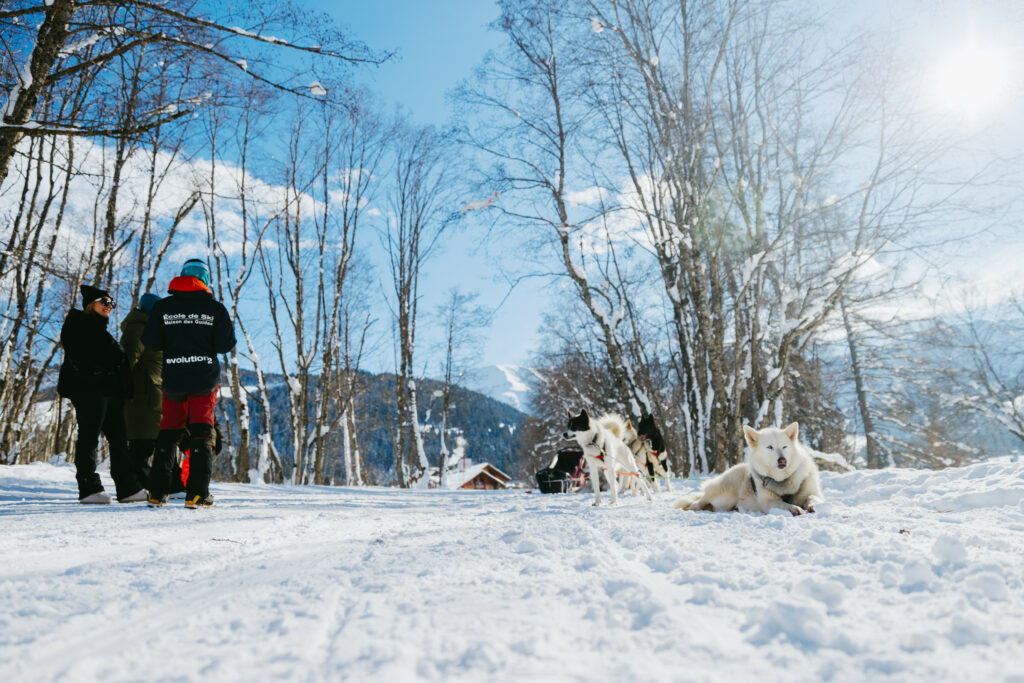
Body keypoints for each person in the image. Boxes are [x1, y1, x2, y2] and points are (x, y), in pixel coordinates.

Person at [142, 259, 235, 508]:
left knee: (169, 431)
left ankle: (157, 492)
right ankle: (196, 494)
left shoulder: (163, 307)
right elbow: (226, 345)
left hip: (173, 378)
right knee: (202, 431)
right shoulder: (215, 309)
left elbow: (150, 342)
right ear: (205, 280)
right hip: (203, 379)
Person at [57, 284, 147, 504]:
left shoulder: (100, 330)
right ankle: (88, 487)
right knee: (89, 436)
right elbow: (82, 358)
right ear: (91, 304)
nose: (109, 306)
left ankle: (128, 488)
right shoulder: (77, 325)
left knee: (119, 439)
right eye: (104, 302)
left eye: (111, 303)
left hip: (110, 392)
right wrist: (101, 373)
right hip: (89, 390)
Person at [120, 292, 163, 487]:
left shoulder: (152, 330)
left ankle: (161, 484)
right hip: (141, 398)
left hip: (152, 396)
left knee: (149, 444)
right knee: (141, 446)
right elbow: (127, 362)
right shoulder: (138, 329)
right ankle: (140, 486)